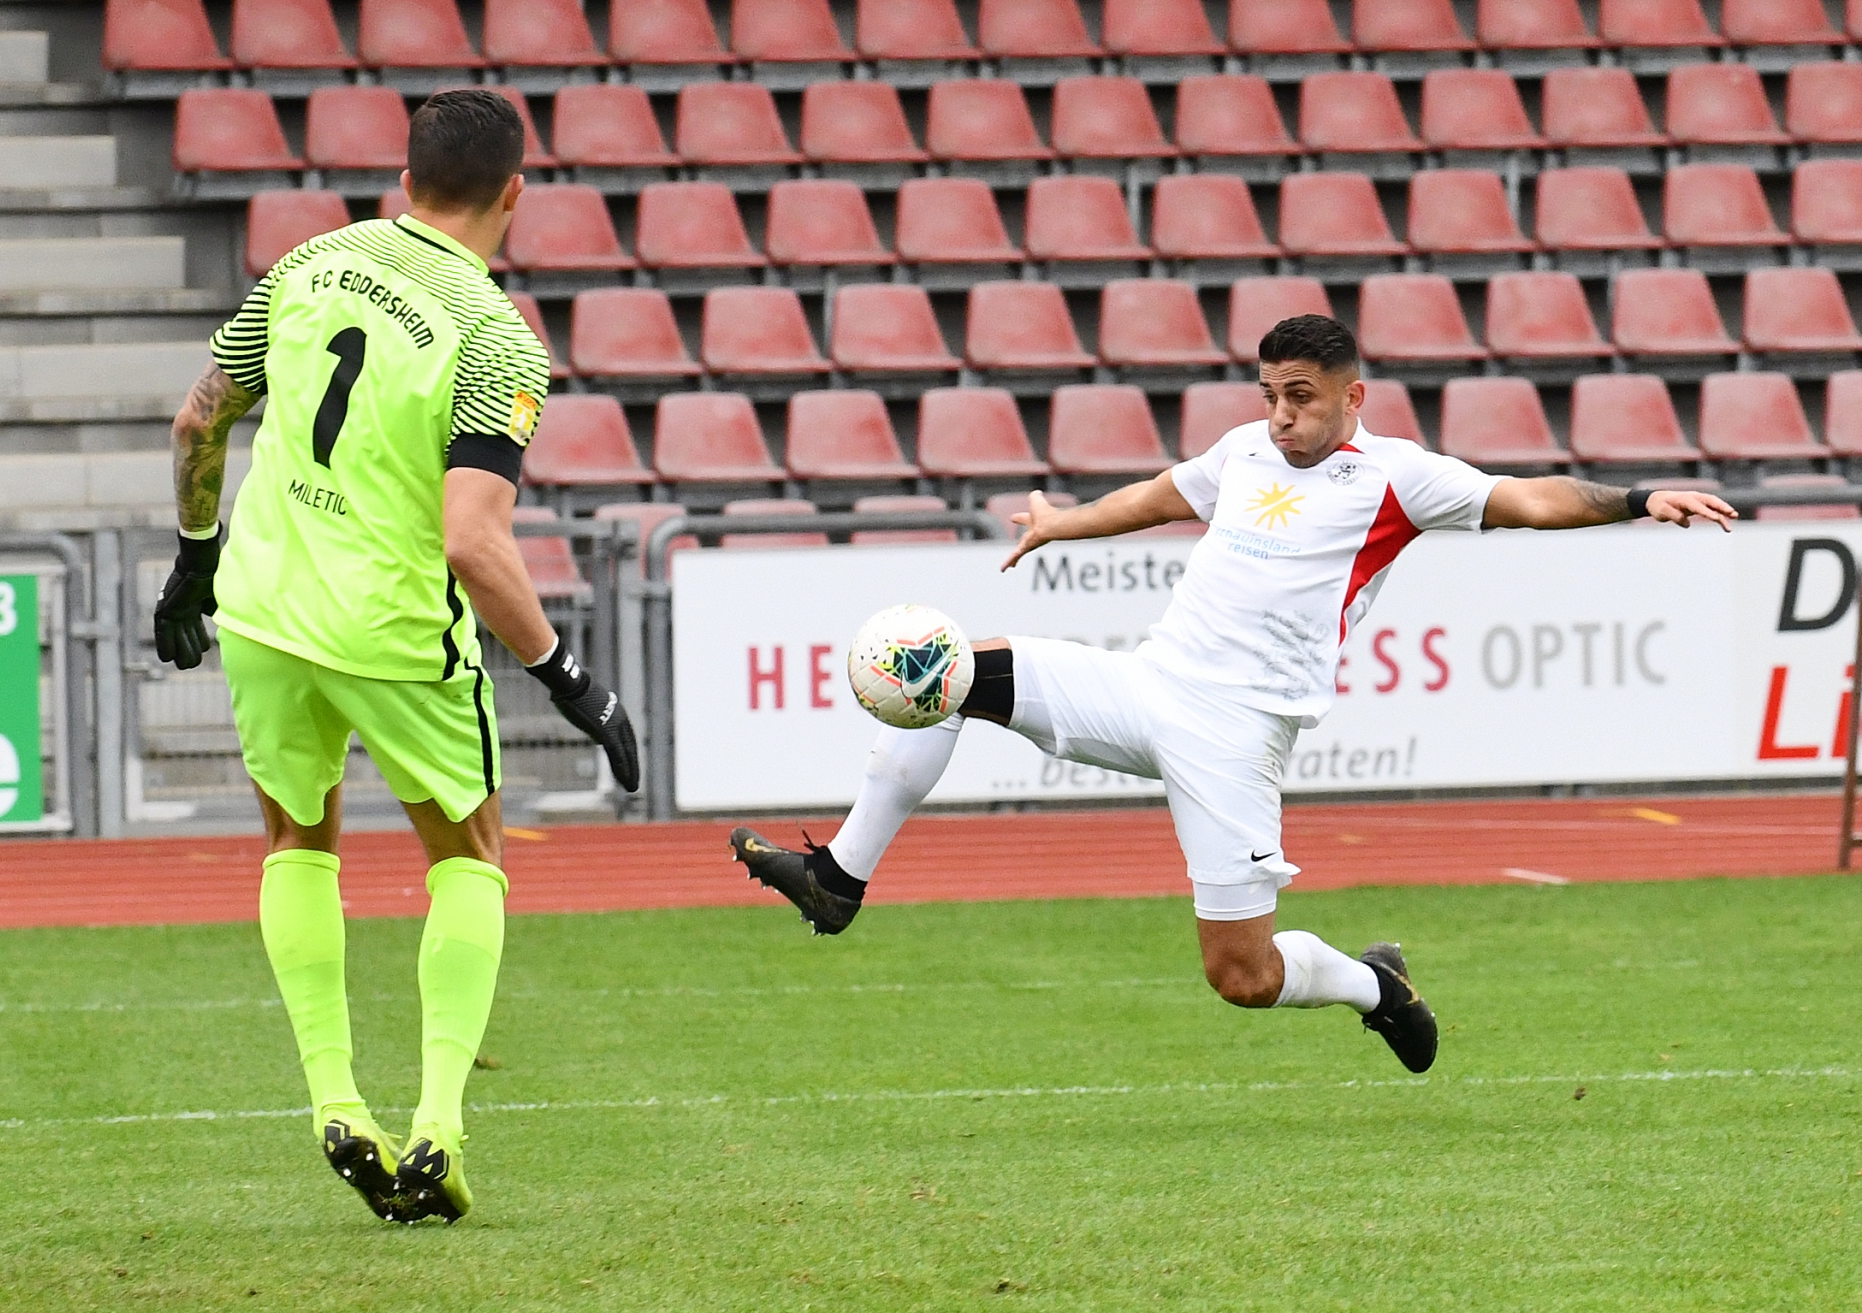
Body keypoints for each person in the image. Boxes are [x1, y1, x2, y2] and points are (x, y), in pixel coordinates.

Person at [733, 315, 1735, 1074]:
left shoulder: (1396, 476)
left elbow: (1529, 498)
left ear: (1353, 397)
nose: (1281, 413)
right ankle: (840, 879)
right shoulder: (1245, 452)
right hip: (1147, 684)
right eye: (1268, 393)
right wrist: (1062, 520)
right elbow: (1164, 496)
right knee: (941, 668)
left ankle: (1371, 983)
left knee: (1242, 978)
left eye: (1300, 394)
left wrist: (1638, 497)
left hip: (1236, 737)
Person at [152, 89, 639, 1224]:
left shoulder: (310, 261)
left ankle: (333, 1097)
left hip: (264, 608)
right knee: (468, 851)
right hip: (388, 624)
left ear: (404, 174)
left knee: (295, 836)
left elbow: (196, 421)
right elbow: (472, 537)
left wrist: (193, 558)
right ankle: (436, 1127)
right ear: (515, 192)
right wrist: (571, 676)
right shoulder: (495, 334)